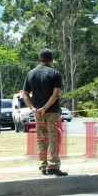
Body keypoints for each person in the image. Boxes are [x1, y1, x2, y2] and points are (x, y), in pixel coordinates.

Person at [22, 48, 67, 176]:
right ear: (51, 59)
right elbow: (56, 94)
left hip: (37, 113)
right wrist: (45, 108)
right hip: (51, 111)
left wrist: (33, 108)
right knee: (53, 137)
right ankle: (53, 166)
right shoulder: (55, 73)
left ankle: (43, 166)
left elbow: (25, 94)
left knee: (41, 138)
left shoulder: (31, 73)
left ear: (40, 59)